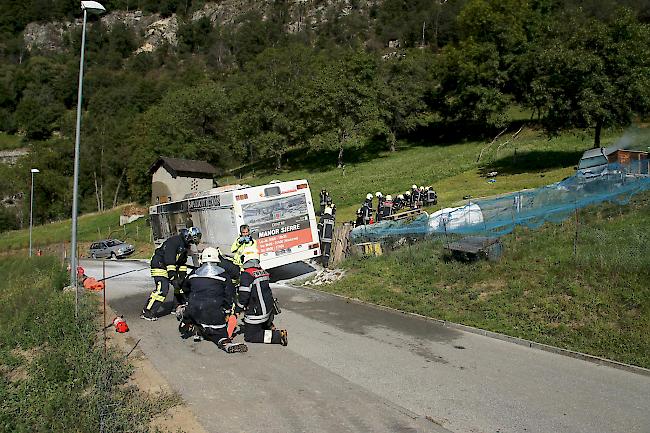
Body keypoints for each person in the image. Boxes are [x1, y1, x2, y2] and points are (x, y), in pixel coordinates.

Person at [178, 247, 248, 353]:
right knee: (218, 333)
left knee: (189, 311)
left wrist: (191, 301)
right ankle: (224, 343)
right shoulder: (224, 276)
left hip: (194, 310)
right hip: (214, 312)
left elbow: (185, 288)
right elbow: (230, 296)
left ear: (202, 259)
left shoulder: (193, 274)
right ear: (217, 260)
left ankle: (189, 324)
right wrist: (226, 311)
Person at [141, 227, 201, 321]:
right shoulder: (174, 241)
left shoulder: (185, 246)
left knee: (180, 286)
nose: (192, 243)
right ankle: (148, 311)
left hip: (169, 266)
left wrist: (182, 277)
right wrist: (173, 276)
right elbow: (169, 259)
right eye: (192, 240)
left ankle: (176, 307)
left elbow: (182, 262)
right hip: (159, 265)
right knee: (162, 289)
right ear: (188, 236)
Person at [235, 246, 288, 346]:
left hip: (257, 313)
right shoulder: (263, 272)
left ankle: (278, 336)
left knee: (250, 336)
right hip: (267, 310)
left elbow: (243, 297)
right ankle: (268, 325)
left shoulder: (247, 275)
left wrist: (237, 311)